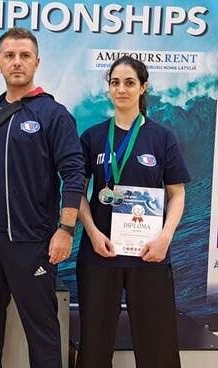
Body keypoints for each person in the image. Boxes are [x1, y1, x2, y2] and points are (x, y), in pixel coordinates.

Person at [0, 28, 85, 368]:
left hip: (32, 241)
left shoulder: (54, 114)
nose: (17, 62)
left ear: (37, 62)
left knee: (43, 332)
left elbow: (74, 173)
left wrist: (66, 229)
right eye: (9, 56)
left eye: (24, 56)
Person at [75, 56, 190, 368]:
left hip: (148, 254)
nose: (121, 89)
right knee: (94, 343)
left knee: (158, 342)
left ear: (143, 87)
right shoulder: (92, 137)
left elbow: (177, 194)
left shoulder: (162, 137)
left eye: (129, 83)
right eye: (115, 83)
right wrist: (93, 232)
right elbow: (77, 193)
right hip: (101, 254)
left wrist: (165, 238)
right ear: (108, 89)